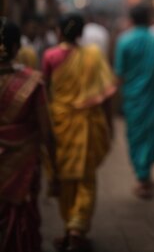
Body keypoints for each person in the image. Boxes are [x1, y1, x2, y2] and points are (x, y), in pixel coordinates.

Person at [42, 13, 116, 251]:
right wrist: (110, 125)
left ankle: (70, 227)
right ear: (81, 34)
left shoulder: (50, 56)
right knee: (85, 178)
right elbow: (106, 95)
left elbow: (44, 92)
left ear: (59, 32)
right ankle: (77, 228)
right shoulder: (93, 56)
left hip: (60, 123)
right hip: (88, 124)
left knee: (65, 177)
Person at [0, 18, 56, 252]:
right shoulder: (33, 82)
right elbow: (46, 130)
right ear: (16, 48)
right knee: (19, 215)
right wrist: (57, 167)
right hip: (21, 164)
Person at [115, 3, 154, 199]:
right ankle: (144, 175)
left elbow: (119, 73)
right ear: (149, 20)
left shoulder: (124, 41)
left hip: (133, 98)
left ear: (131, 20)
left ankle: (143, 173)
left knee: (136, 138)